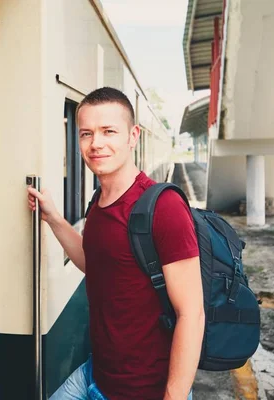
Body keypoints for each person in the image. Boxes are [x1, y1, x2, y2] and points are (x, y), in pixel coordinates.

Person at [27, 87, 204, 400]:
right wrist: (54, 218)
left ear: (132, 136)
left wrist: (173, 396)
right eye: (86, 133)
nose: (96, 143)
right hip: (98, 374)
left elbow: (192, 313)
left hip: (145, 390)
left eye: (108, 131)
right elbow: (93, 262)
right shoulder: (98, 201)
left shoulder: (163, 208)